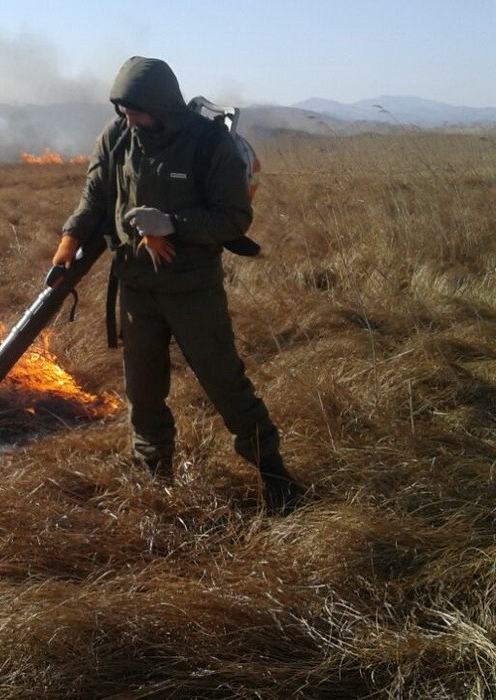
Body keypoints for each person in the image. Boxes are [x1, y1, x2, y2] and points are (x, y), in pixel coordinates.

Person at [52, 56, 305, 514]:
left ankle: (275, 477)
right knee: (143, 392)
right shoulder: (117, 137)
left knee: (225, 384)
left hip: (192, 291)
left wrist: (171, 224)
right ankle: (157, 480)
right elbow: (95, 196)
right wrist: (70, 240)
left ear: (161, 105)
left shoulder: (208, 144)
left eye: (136, 111)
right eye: (122, 111)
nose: (128, 119)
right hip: (136, 288)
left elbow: (233, 218)